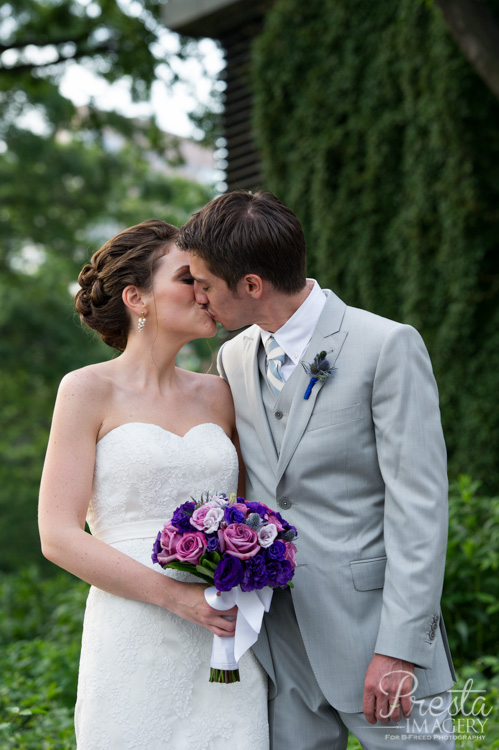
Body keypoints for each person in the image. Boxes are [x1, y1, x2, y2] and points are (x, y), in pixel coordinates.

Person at [177, 191, 457, 749]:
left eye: (205, 282)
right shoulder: (234, 357)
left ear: (251, 285)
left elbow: (419, 508)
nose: (198, 296)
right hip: (280, 647)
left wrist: (400, 647)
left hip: (377, 638)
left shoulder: (387, 346)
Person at [38, 219, 269, 750]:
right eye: (188, 278)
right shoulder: (86, 390)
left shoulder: (222, 393)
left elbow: (250, 506)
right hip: (134, 629)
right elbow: (59, 535)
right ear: (136, 298)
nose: (204, 288)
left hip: (225, 626)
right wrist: (177, 599)